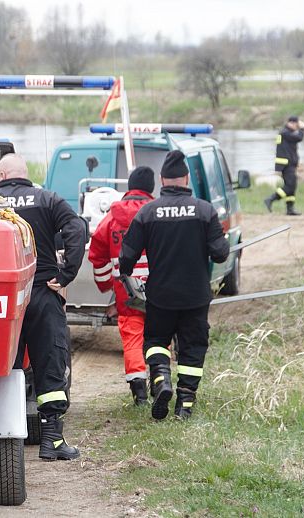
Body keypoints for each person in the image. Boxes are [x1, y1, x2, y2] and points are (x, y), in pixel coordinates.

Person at [118, 150, 229, 420]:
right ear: (187, 178)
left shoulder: (147, 212)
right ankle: (185, 405)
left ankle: (161, 380)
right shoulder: (204, 210)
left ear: (162, 179)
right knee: (193, 347)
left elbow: (126, 257)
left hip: (161, 295)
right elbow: (221, 254)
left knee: (156, 341)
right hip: (196, 296)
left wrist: (127, 277)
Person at [0, 153, 87, 460]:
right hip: (42, 292)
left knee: (0, 366)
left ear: (1, 175)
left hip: (2, 297)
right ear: (25, 175)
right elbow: (76, 229)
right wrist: (66, 274)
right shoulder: (47, 198)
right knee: (50, 363)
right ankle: (52, 440)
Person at [88, 166, 155, 405]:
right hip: (160, 292)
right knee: (159, 337)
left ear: (129, 187)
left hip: (126, 294)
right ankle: (160, 381)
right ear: (151, 188)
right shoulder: (156, 213)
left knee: (132, 339)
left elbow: (97, 255)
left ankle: (139, 394)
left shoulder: (111, 218)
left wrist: (106, 285)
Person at [264, 115, 304, 216]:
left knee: (292, 186)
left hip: (288, 164)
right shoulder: (285, 133)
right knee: (290, 186)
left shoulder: (286, 133)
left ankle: (290, 208)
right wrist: (303, 128)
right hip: (286, 164)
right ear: (291, 123)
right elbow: (299, 137)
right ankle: (270, 199)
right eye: (296, 124)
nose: (297, 127)